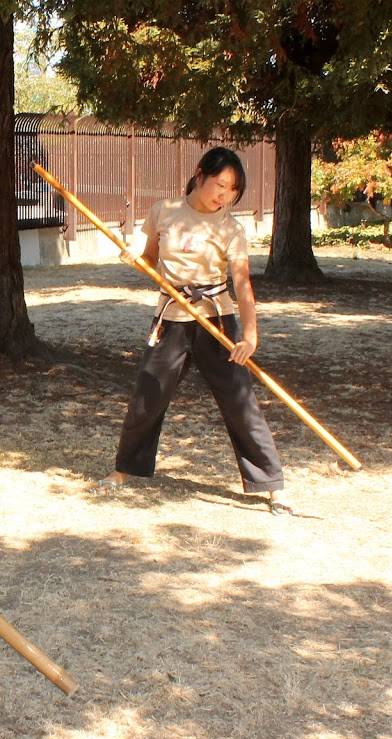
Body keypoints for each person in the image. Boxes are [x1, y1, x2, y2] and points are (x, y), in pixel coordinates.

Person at [96, 147, 292, 514]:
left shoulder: (231, 228)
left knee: (240, 402)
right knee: (147, 396)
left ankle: (272, 485)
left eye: (233, 190)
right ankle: (124, 469)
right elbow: (150, 260)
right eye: (220, 184)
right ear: (200, 174)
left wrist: (249, 336)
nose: (225, 195)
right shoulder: (164, 212)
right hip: (171, 319)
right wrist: (135, 256)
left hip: (216, 321)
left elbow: (242, 283)